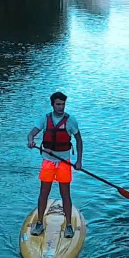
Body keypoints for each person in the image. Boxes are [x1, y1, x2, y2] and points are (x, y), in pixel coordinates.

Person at [27, 92, 83, 238]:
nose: (61, 107)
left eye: (63, 104)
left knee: (65, 193)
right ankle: (39, 223)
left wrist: (78, 161)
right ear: (53, 105)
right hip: (48, 161)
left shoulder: (71, 121)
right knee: (44, 192)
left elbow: (79, 140)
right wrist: (31, 140)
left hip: (64, 162)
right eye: (58, 104)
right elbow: (31, 134)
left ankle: (69, 225)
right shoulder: (45, 119)